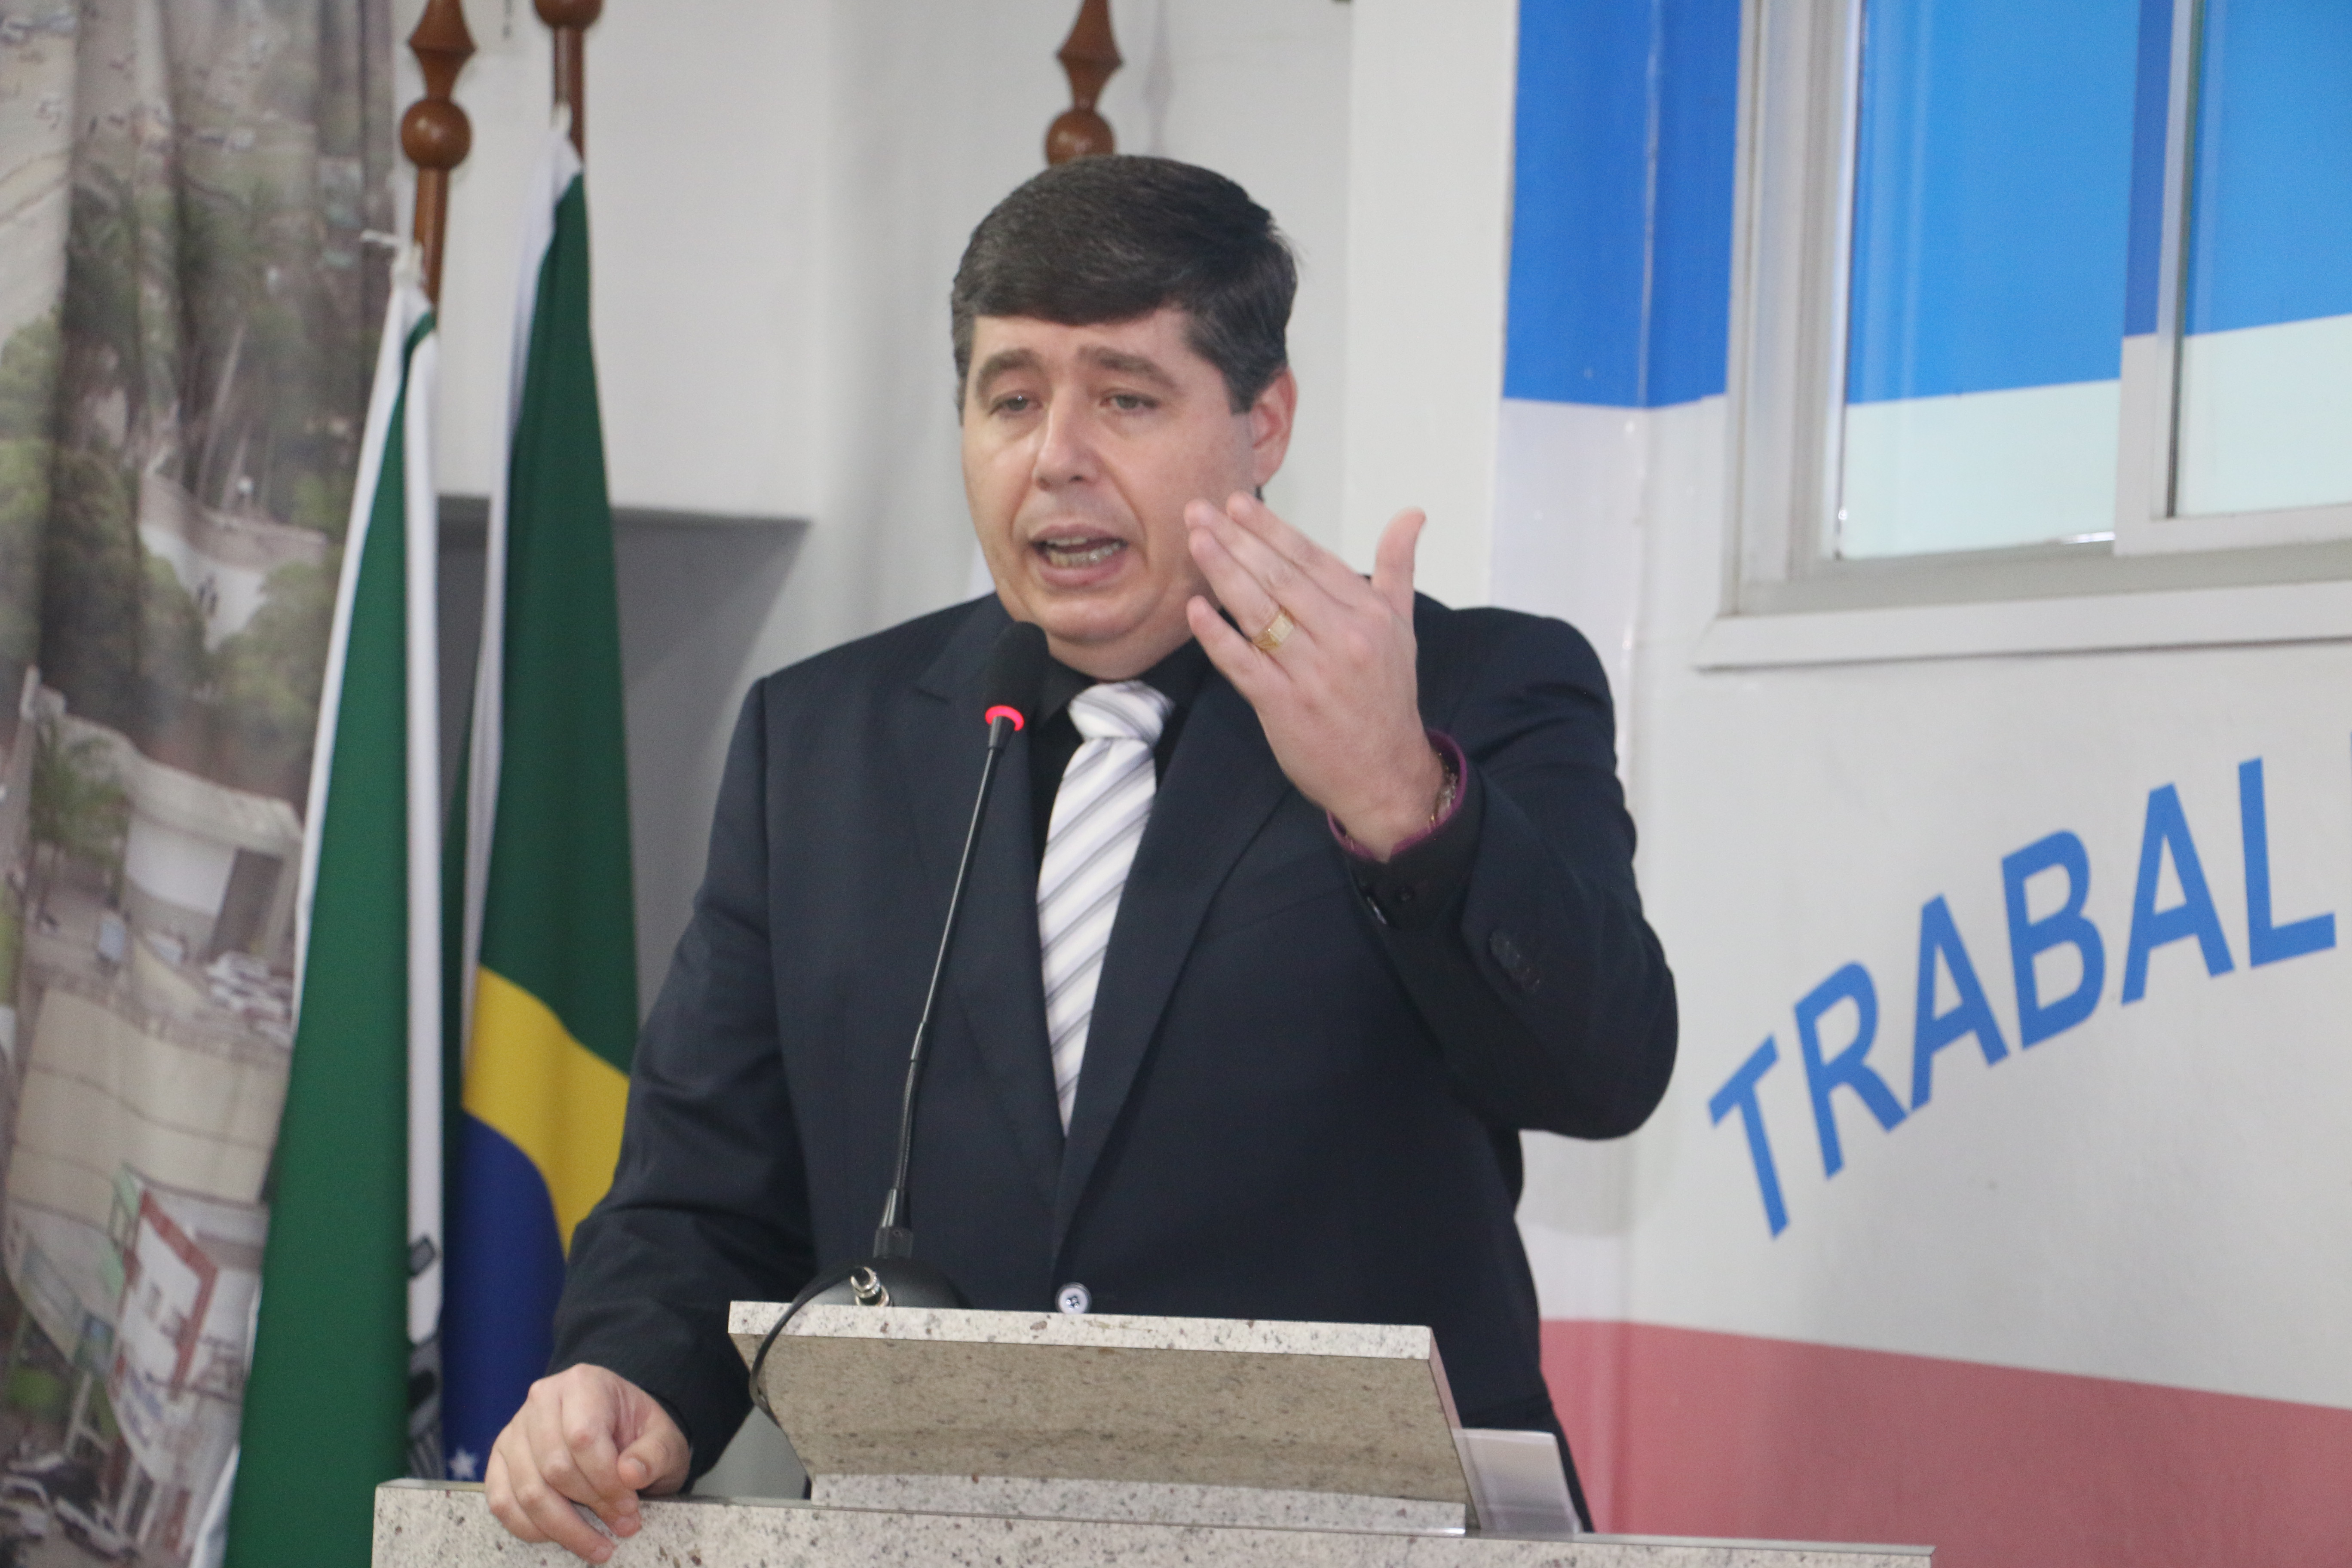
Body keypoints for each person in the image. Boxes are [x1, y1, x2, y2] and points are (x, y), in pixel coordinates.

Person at [484, 156, 1676, 1562]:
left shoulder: (1467, 693)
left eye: (1126, 399)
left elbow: (1601, 1069)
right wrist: (627, 1374)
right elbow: (702, 1193)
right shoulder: (820, 744)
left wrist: (1402, 797)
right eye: (1010, 399)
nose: (1055, 457)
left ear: (1264, 421)